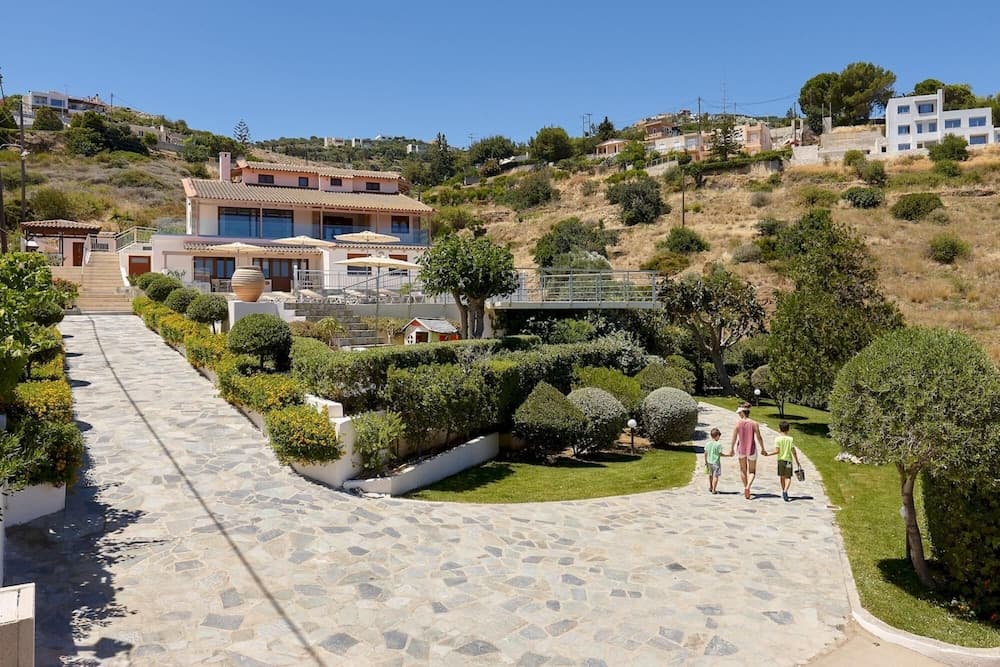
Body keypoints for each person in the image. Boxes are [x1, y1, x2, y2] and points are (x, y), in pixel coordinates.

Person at [730, 403, 766, 499]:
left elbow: (734, 438)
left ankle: (746, 488)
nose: (739, 414)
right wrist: (763, 448)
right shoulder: (754, 423)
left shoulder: (737, 424)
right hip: (752, 449)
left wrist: (731, 449)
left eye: (739, 413)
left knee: (743, 470)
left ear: (742, 413)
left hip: (741, 449)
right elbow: (759, 437)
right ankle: (748, 486)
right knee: (752, 471)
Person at [774, 421, 801, 502]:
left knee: (782, 477)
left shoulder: (777, 439)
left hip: (780, 461)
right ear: (788, 429)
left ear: (779, 429)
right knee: (788, 477)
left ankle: (783, 491)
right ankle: (785, 490)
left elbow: (777, 451)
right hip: (788, 461)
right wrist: (797, 461)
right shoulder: (790, 439)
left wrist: (768, 454)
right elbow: (793, 451)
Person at [704, 427, 731, 494]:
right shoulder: (718, 444)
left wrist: (706, 462)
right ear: (717, 436)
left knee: (710, 475)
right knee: (716, 476)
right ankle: (714, 489)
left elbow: (705, 453)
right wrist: (728, 455)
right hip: (716, 462)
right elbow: (720, 454)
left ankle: (710, 487)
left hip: (709, 462)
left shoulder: (707, 444)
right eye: (719, 436)